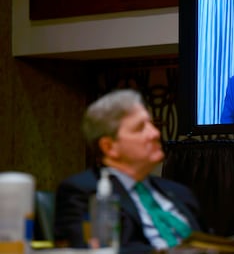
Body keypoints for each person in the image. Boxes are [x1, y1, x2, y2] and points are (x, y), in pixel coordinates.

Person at [54, 89, 207, 253]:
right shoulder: (84, 192)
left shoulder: (180, 192)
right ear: (109, 147)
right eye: (140, 128)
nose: (155, 133)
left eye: (152, 125)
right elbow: (95, 250)